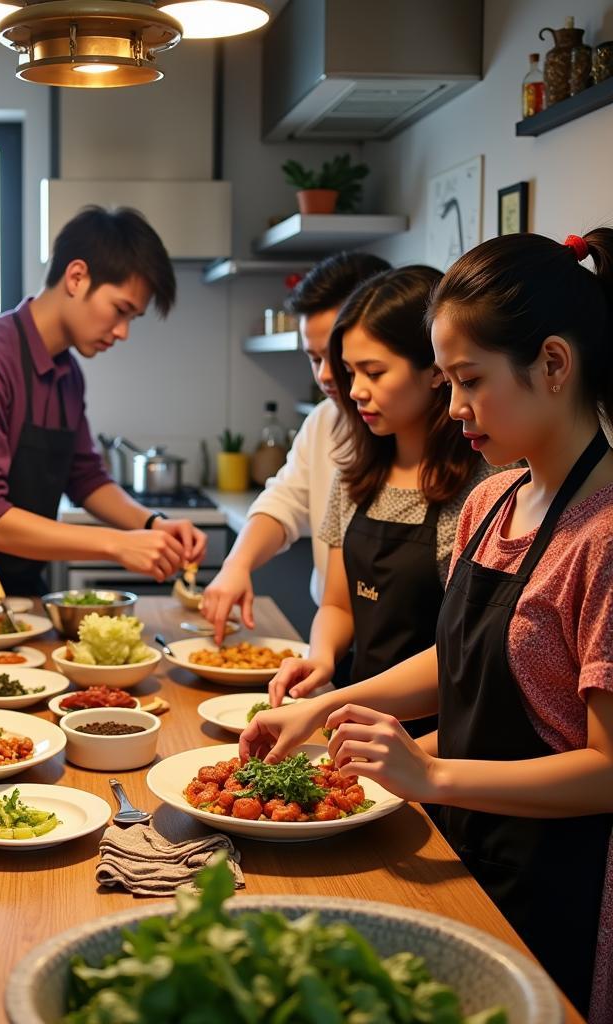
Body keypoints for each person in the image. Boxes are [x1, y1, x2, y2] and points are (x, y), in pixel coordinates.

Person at [240, 229, 613, 1021]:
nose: (454, 409)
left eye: (469, 380)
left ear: (553, 364)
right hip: (461, 849)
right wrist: (321, 710)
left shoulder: (605, 537)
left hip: (556, 878)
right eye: (445, 382)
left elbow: (608, 769)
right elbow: (458, 663)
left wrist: (432, 774)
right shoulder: (495, 500)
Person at [0, 205, 206, 642]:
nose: (122, 333)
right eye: (120, 310)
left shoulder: (67, 373)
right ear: (77, 277)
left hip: (22, 593)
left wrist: (150, 524)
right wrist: (116, 544)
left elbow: (85, 476)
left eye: (131, 319)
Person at [268, 266, 494, 731]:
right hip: (357, 723)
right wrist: (322, 658)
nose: (354, 391)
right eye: (351, 372)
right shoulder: (357, 471)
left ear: (435, 372)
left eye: (374, 372)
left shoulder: (486, 484)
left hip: (443, 736)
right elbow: (337, 603)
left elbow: (468, 647)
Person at [202, 252, 390, 644]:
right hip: (336, 644)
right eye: (313, 357)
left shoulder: (435, 443)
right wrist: (237, 564)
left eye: (335, 357)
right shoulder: (324, 422)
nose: (324, 375)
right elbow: (283, 501)